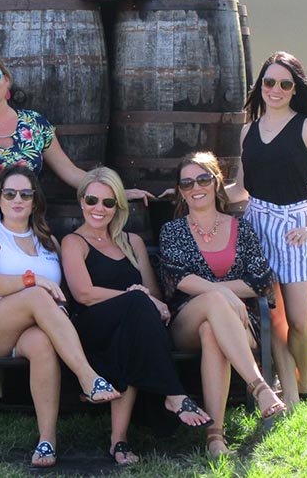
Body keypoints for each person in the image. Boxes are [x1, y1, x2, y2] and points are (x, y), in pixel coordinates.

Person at [0, 53, 153, 421]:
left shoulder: (35, 126)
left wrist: (115, 191)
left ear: (7, 81)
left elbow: (68, 172)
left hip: (21, 233)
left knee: (10, 311)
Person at [0, 165, 121, 467]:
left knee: (43, 345)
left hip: (31, 330)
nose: (17, 199)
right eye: (10, 193)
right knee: (36, 294)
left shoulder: (48, 241)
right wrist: (32, 280)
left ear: (35, 201)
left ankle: (47, 441)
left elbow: (63, 292)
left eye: (25, 193)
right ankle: (88, 378)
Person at [61, 167, 213, 466]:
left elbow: (152, 293)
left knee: (132, 332)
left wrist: (147, 300)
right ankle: (173, 393)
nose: (98, 209)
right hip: (92, 329)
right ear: (82, 201)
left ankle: (119, 442)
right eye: (92, 200)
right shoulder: (74, 242)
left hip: (134, 330)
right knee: (137, 310)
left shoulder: (133, 242)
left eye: (108, 203)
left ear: (118, 206)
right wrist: (136, 297)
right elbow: (84, 294)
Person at [229, 51, 307, 409]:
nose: (275, 89)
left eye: (284, 83)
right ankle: (287, 382)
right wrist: (197, 192)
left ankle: (304, 381)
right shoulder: (248, 130)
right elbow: (241, 189)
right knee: (272, 314)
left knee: (299, 319)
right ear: (261, 86)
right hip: (257, 223)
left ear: (295, 89)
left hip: (296, 226)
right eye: (269, 82)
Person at [159, 152, 287, 458]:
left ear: (216, 181)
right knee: (212, 306)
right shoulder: (172, 230)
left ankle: (215, 437)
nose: (195, 187)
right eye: (187, 182)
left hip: (238, 324)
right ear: (180, 190)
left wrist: (220, 296)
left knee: (212, 333)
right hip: (186, 320)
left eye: (203, 179)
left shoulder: (241, 228)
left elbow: (260, 281)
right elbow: (178, 278)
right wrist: (226, 295)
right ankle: (259, 387)